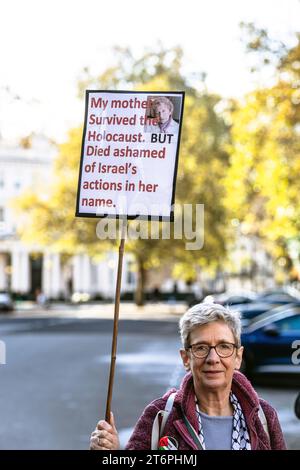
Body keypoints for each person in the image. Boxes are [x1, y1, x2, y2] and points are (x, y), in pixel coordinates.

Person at [90, 302, 286, 450]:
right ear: (186, 358)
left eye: (224, 347)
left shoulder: (263, 417)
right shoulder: (161, 415)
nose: (212, 358)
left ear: (238, 357)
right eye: (201, 348)